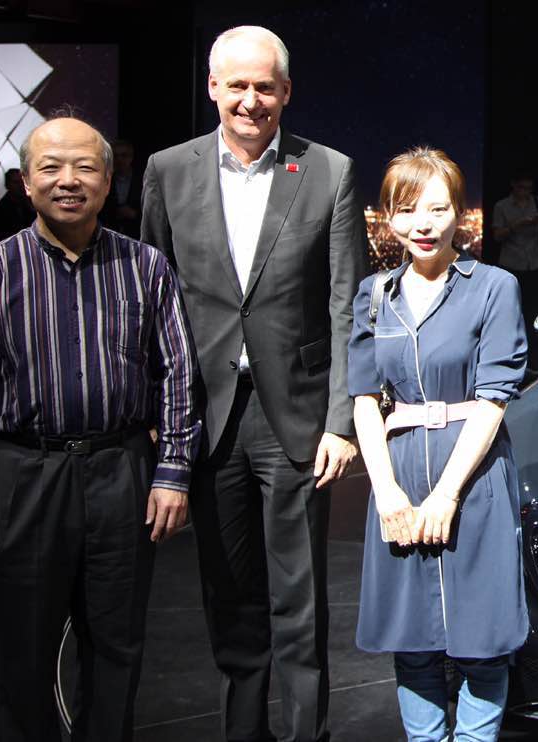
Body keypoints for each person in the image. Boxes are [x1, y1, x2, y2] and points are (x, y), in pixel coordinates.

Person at [0, 116, 200, 741]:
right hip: (23, 476)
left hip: (121, 473)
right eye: (51, 168)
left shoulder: (147, 267)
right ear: (25, 181)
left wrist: (173, 473)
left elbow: (178, 376)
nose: (68, 180)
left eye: (85, 167)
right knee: (23, 655)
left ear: (108, 180)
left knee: (117, 648)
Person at [140, 25, 366, 742]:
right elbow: (152, 299)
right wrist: (159, 410)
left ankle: (305, 735)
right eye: (236, 84)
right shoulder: (167, 171)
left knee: (298, 598)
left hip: (295, 417)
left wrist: (340, 422)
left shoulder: (327, 170)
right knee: (228, 593)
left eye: (264, 86)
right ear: (212, 87)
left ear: (286, 92)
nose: (250, 99)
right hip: (205, 415)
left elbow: (346, 303)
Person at [349, 147, 529, 742]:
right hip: (399, 472)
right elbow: (363, 400)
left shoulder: (494, 287)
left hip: (473, 476)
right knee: (413, 639)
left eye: (437, 209)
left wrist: (448, 494)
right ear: (388, 217)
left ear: (459, 213)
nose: (421, 224)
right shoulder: (375, 294)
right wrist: (385, 493)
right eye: (406, 210)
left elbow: (494, 398)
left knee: (482, 639)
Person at [491, 173, 538, 322]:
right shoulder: (502, 206)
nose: (525, 192)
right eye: (522, 188)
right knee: (510, 307)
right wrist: (517, 225)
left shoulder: (537, 202)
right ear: (514, 185)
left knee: (533, 307)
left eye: (529, 189)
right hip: (511, 263)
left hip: (535, 262)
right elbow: (497, 236)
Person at [100, 139, 142, 237]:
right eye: (115, 156)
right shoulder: (103, 180)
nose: (119, 160)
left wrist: (135, 214)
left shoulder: (143, 180)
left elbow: (152, 211)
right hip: (109, 232)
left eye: (124, 155)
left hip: (137, 233)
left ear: (131, 157)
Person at [0, 167, 35, 240]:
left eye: (22, 181)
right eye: (16, 182)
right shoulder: (0, 210)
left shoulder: (31, 201)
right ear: (7, 185)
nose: (20, 185)